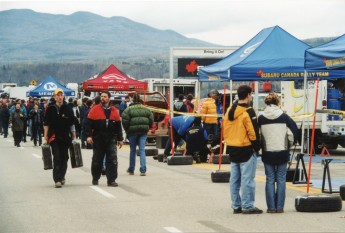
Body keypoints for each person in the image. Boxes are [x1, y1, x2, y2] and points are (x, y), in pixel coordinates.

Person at [223, 85, 262, 214]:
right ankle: (247, 205)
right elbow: (253, 132)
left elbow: (225, 129)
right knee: (247, 179)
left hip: (233, 148)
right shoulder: (249, 111)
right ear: (249, 95)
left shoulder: (229, 111)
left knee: (234, 179)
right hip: (246, 148)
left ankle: (236, 205)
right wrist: (257, 147)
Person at [258, 92, 298, 213]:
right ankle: (279, 207)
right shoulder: (285, 117)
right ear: (277, 103)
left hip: (267, 152)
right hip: (282, 151)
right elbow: (294, 132)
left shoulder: (261, 118)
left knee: (270, 179)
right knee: (281, 179)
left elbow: (258, 136)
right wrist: (289, 144)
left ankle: (271, 207)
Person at [85, 91, 123, 187]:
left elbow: (118, 126)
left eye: (105, 96)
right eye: (101, 96)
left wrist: (120, 139)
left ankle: (111, 180)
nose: (102, 98)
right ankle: (95, 178)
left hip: (111, 139)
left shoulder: (114, 111)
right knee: (97, 160)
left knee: (112, 160)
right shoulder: (94, 110)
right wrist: (89, 136)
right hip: (98, 138)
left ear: (109, 99)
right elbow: (88, 124)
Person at [43, 88, 76, 188]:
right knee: (57, 157)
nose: (60, 97)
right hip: (54, 136)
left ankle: (62, 176)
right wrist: (45, 136)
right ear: (54, 97)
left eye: (61, 95)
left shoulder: (68, 108)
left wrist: (74, 135)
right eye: (58, 95)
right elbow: (46, 123)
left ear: (63, 96)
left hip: (65, 136)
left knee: (64, 157)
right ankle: (57, 179)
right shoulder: (50, 108)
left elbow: (72, 123)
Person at [121, 93, 154, 176]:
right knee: (142, 150)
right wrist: (147, 128)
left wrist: (127, 130)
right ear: (140, 99)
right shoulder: (146, 109)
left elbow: (124, 121)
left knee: (132, 150)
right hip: (143, 132)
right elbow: (151, 120)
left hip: (132, 132)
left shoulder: (128, 110)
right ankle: (143, 170)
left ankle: (131, 170)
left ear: (132, 99)